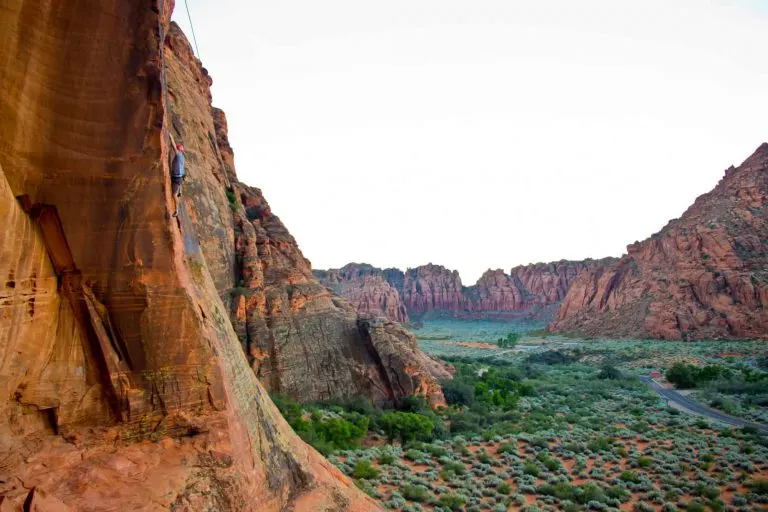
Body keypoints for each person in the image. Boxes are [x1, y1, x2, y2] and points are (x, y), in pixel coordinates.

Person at [171, 142, 185, 217]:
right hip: (179, 177)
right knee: (180, 182)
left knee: (174, 195)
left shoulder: (179, 155)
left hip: (177, 178)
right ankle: (180, 191)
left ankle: (177, 210)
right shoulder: (183, 157)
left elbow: (173, 146)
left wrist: (171, 138)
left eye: (177, 149)